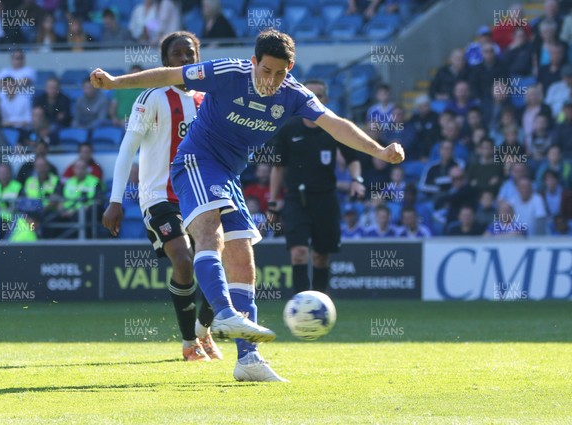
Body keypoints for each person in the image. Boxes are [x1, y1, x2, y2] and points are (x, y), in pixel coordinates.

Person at [90, 29, 404, 382]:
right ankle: (222, 313)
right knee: (211, 236)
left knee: (242, 256)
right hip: (194, 160)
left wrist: (378, 150)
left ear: (291, 68)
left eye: (280, 73)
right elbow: (169, 75)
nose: (271, 80)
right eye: (266, 70)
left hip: (228, 174)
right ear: (254, 62)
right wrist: (115, 83)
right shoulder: (228, 72)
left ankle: (249, 359)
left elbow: (335, 124)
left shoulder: (293, 94)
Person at [102, 31, 221, 362]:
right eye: (178, 53)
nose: (185, 58)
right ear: (166, 61)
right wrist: (115, 200)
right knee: (183, 262)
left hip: (200, 195)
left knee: (218, 263)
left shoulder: (208, 99)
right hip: (158, 196)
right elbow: (129, 147)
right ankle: (189, 344)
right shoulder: (152, 96)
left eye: (191, 53)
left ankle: (203, 331)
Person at [268, 79, 365, 294]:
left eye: (318, 96)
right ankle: (300, 304)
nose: (313, 99)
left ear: (326, 100)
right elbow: (278, 167)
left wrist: (357, 181)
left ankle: (321, 304)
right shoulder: (288, 128)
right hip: (296, 199)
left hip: (325, 199)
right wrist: (273, 201)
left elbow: (353, 158)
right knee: (299, 252)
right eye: (308, 95)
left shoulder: (335, 127)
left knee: (321, 256)